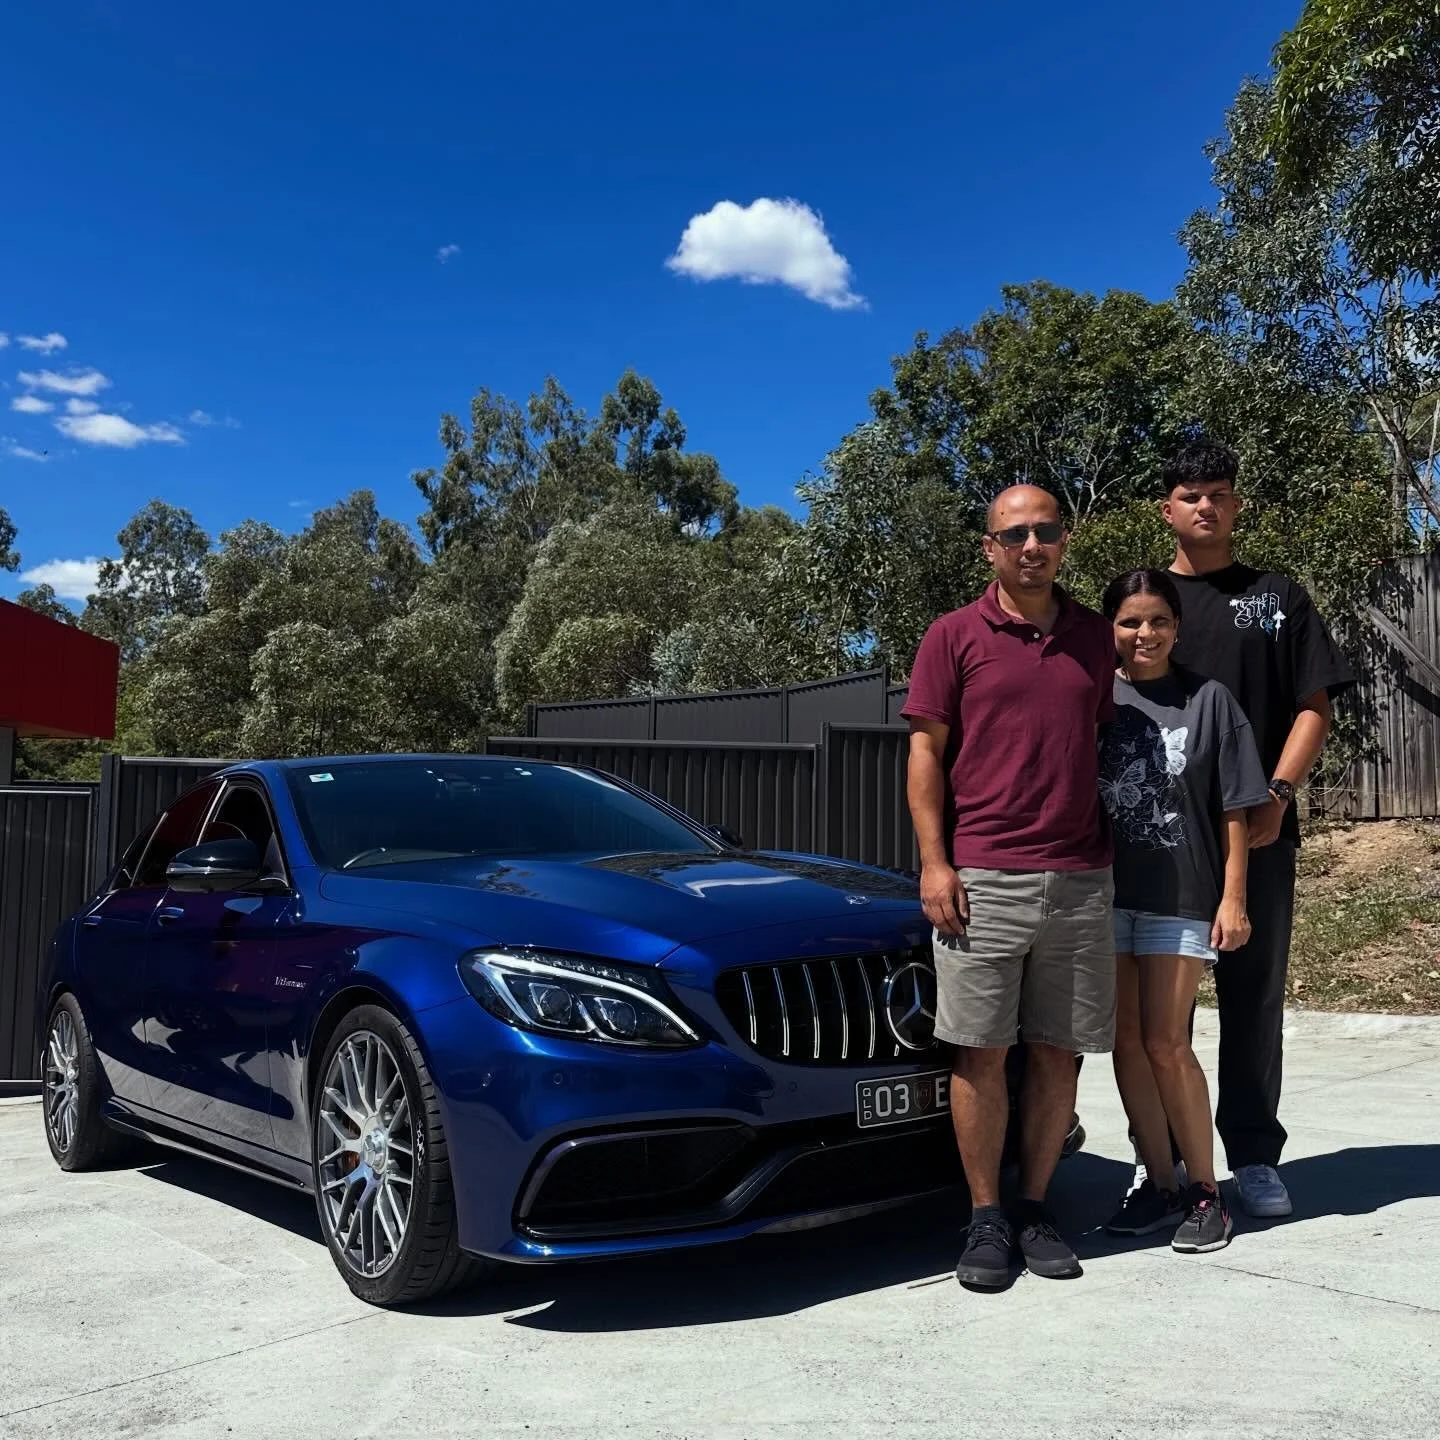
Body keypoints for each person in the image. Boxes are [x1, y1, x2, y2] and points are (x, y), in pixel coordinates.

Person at [902, 484, 1116, 1289]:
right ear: (990, 548)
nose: (1033, 544)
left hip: (1081, 879)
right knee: (980, 1053)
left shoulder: (1095, 638)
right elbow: (925, 753)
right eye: (1015, 533)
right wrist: (935, 861)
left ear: (1064, 541)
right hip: (983, 877)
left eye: (1046, 530)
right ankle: (986, 1219)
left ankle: (1034, 1208)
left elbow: (1098, 738)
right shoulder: (953, 635)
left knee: (1059, 1054)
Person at [1150, 438, 1355, 1219]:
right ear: (1167, 509)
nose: (1206, 505)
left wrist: (1277, 792)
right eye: (1191, 494)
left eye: (1219, 493)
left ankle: (1254, 1155)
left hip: (1261, 831)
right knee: (1159, 1012)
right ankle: (1162, 1158)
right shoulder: (1144, 601)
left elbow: (1313, 706)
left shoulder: (1278, 597)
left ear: (1236, 504)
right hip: (1162, 841)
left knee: (1253, 998)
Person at [1097, 569, 1271, 1253]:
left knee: (1168, 1044)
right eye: (1129, 622)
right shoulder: (1094, 695)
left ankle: (1206, 1192)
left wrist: (1233, 897)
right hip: (1105, 898)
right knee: (1126, 1043)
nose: (1144, 634)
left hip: (1181, 899)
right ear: (1111, 628)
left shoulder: (1210, 700)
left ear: (1177, 627)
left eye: (1158, 621)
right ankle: (1161, 1183)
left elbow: (1235, 810)